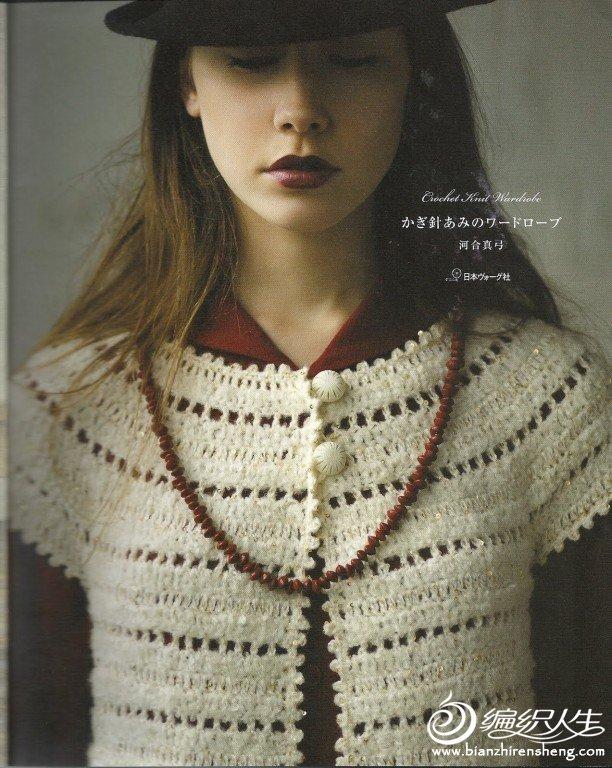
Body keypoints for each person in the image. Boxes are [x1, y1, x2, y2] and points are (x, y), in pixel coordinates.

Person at [8, 0, 610, 766]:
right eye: (250, 62)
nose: (300, 110)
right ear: (186, 84)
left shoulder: (545, 395)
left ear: (413, 79)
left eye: (352, 59)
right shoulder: (68, 407)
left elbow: (588, 727)